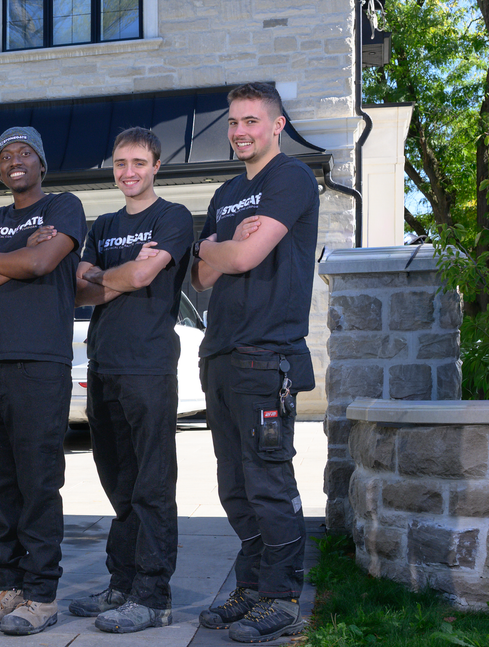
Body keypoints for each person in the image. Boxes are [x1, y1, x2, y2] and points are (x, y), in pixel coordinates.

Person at [191, 82, 318, 643]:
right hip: (219, 354)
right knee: (233, 484)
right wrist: (215, 249)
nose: (240, 130)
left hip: (267, 356)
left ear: (277, 125)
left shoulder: (289, 178)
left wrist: (222, 248)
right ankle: (252, 583)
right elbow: (202, 275)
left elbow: (242, 254)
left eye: (251, 120)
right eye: (234, 122)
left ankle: (283, 595)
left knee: (267, 481)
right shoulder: (225, 193)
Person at [0, 127, 86, 636]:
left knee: (37, 480)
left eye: (25, 152)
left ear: (41, 162)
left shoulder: (62, 207)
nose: (15, 160)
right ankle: (9, 584)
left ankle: (42, 594)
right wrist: (11, 259)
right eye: (6, 154)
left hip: (41, 363)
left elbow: (40, 262)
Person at [68, 128, 193, 633]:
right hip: (104, 366)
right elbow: (79, 290)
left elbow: (140, 279)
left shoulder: (173, 218)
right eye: (120, 163)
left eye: (138, 162)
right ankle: (121, 584)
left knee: (152, 485)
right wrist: (112, 276)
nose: (128, 172)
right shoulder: (105, 223)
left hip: (148, 366)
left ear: (156, 166)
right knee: (118, 483)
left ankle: (153, 595)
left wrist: (105, 276)